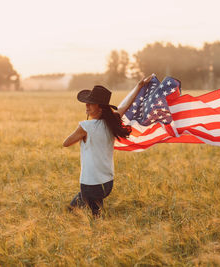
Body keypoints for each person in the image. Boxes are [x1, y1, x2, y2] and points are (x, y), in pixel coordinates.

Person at [62, 75, 153, 217]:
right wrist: (139, 86)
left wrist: (81, 132)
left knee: (91, 218)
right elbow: (124, 106)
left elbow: (66, 143)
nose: (87, 106)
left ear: (101, 108)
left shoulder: (85, 127)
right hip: (107, 184)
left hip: (90, 185)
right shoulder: (112, 122)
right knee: (74, 210)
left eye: (90, 104)